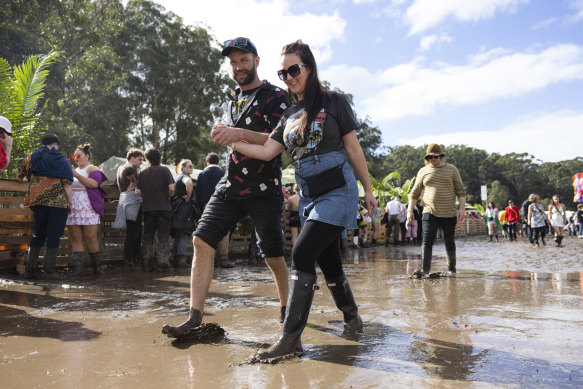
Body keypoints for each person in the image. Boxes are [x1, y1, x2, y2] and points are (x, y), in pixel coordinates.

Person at [229, 39, 376, 359]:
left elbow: (353, 148)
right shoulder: (289, 114)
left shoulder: (334, 101)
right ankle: (352, 317)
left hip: (338, 188)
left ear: (309, 67)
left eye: (294, 69)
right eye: (283, 73)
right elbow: (268, 150)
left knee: (302, 252)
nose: (289, 77)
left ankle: (290, 339)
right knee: (327, 259)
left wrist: (368, 189)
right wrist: (235, 139)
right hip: (310, 195)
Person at [162, 37, 291, 339]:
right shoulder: (233, 97)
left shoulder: (277, 96)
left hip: (264, 185)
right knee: (201, 241)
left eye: (243, 60)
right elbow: (237, 140)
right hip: (231, 182)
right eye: (233, 62)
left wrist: (237, 132)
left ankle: (287, 309)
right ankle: (194, 317)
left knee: (272, 255)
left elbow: (278, 138)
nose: (238, 66)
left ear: (256, 61)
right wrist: (223, 133)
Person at [18, 134, 73, 279]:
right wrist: (70, 203)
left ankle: (29, 271)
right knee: (53, 236)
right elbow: (67, 185)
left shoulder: (31, 158)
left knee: (38, 234)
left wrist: (30, 179)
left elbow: (20, 176)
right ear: (55, 144)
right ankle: (49, 272)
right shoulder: (61, 159)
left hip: (38, 201)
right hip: (58, 203)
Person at [408, 143, 466, 276]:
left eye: (435, 157)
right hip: (429, 211)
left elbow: (460, 190)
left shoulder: (452, 169)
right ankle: (425, 270)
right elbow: (414, 192)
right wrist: (409, 210)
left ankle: (452, 269)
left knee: (449, 241)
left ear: (441, 156)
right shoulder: (423, 171)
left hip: (449, 212)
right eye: (430, 157)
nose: (432, 159)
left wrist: (462, 209)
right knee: (427, 240)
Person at [67, 143, 108, 276]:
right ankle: (79, 270)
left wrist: (76, 175)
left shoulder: (92, 168)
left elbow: (94, 184)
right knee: (76, 238)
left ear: (87, 156)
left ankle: (97, 268)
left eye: (79, 155)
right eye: (74, 155)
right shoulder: (72, 169)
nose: (76, 157)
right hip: (73, 207)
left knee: (90, 237)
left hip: (88, 206)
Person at [136, 148, 175, 271]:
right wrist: (167, 196)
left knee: (148, 236)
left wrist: (148, 196)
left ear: (147, 159)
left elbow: (137, 191)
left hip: (148, 209)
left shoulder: (142, 172)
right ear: (159, 157)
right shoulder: (165, 170)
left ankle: (147, 263)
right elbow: (172, 188)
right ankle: (163, 263)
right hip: (163, 207)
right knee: (163, 236)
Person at [195, 152, 233, 268]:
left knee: (207, 230)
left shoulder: (202, 174)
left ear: (208, 162)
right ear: (217, 162)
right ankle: (224, 258)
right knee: (224, 231)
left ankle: (209, 258)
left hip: (208, 205)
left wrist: (200, 206)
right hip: (224, 203)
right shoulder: (224, 173)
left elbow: (199, 193)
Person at [115, 147, 144, 269]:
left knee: (135, 230)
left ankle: (133, 258)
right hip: (132, 199)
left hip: (125, 199)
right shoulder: (129, 166)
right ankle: (130, 259)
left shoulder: (120, 166)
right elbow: (128, 172)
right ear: (132, 158)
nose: (140, 162)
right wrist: (134, 183)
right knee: (134, 231)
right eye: (139, 159)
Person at [170, 159, 198, 268]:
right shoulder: (185, 177)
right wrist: (189, 196)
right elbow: (189, 183)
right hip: (183, 208)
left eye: (192, 166)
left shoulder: (177, 177)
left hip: (177, 208)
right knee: (183, 232)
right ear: (183, 168)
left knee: (179, 233)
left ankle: (175, 258)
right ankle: (181, 260)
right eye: (190, 166)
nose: (192, 168)